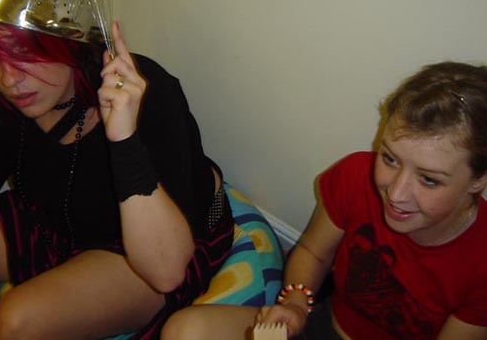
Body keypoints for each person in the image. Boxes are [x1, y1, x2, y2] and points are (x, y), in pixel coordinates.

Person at [0, 0, 233, 338]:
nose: (8, 79)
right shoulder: (7, 97)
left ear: (64, 40)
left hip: (146, 249)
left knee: (15, 320)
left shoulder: (146, 92)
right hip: (54, 225)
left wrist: (124, 138)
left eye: (24, 52)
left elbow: (167, 270)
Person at [161, 61, 487, 339]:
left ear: (478, 180)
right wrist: (295, 304)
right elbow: (313, 252)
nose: (396, 193)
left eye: (429, 180)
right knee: (184, 329)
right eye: (389, 158)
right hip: (323, 324)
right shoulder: (355, 176)